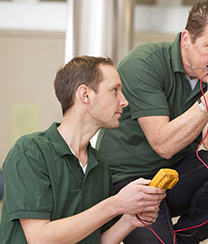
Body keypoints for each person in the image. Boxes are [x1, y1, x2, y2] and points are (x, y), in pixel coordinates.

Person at [96, 0, 208, 243]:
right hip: (129, 182)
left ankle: (185, 239)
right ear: (186, 39)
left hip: (174, 178)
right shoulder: (144, 63)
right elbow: (163, 145)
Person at [0, 56, 166, 244]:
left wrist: (129, 220)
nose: (124, 101)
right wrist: (116, 204)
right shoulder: (30, 151)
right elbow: (39, 238)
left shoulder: (100, 164)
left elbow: (97, 240)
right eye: (114, 91)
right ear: (85, 95)